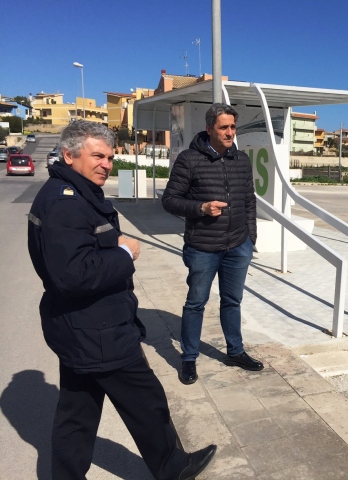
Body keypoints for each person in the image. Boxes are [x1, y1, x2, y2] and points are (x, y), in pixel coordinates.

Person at [27, 121, 216, 480]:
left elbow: (75, 255)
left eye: (110, 157)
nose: (106, 164)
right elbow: (73, 275)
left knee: (77, 413)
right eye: (97, 155)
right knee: (147, 401)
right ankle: (173, 467)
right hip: (98, 331)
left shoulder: (72, 192)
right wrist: (125, 254)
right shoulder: (64, 203)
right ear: (69, 155)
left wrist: (109, 246)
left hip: (78, 327)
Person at [162, 103, 263, 385]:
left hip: (237, 245)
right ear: (209, 129)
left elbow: (249, 201)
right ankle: (189, 358)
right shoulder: (189, 159)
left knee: (233, 301)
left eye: (233, 127)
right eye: (224, 127)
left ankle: (235, 351)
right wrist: (201, 208)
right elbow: (169, 200)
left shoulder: (241, 160)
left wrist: (250, 237)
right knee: (196, 303)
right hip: (203, 247)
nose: (230, 132)